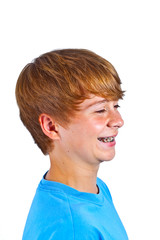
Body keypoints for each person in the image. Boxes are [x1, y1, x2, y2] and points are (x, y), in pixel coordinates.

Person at [16, 49, 128, 239]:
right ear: (52, 126)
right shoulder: (73, 229)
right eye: (100, 110)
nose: (118, 120)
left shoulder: (92, 189)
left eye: (115, 106)